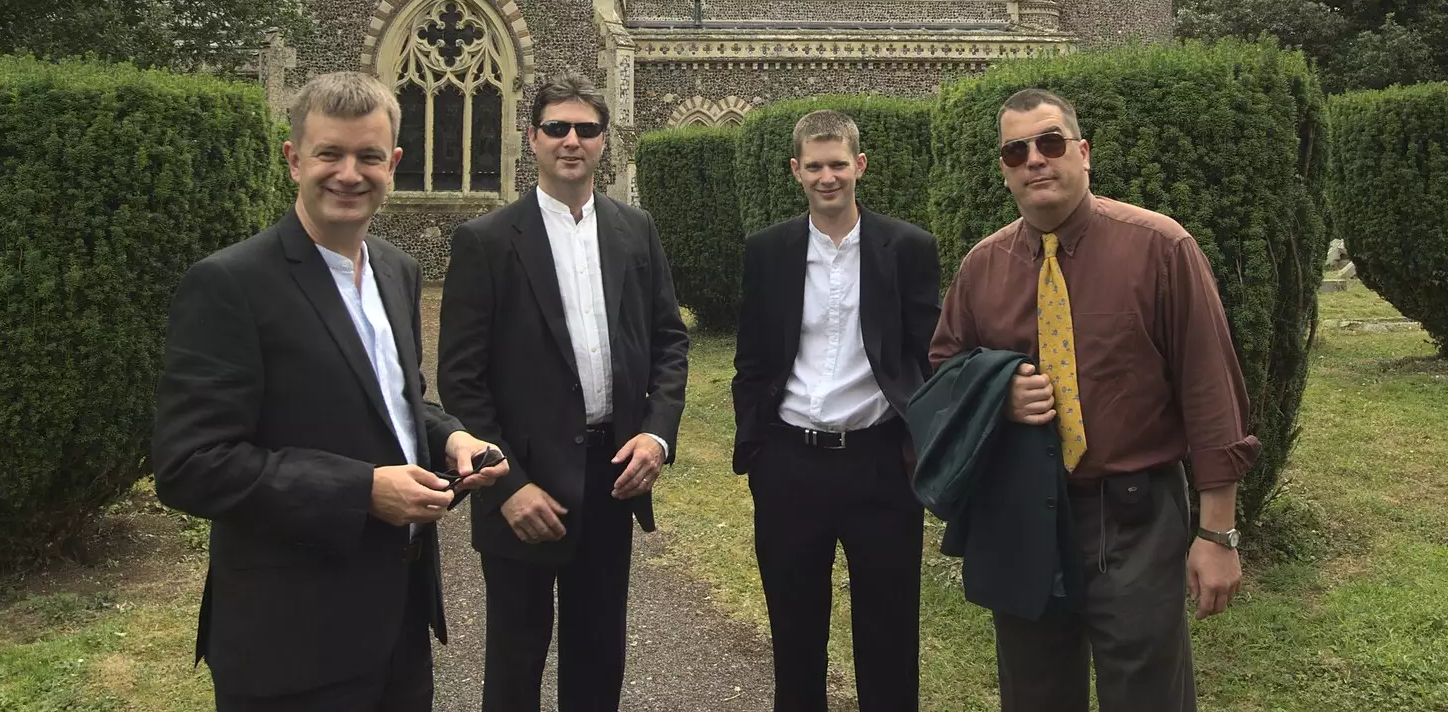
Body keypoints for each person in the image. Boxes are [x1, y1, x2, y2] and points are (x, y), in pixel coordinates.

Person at [153, 71, 509, 712]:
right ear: (294, 159)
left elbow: (395, 402)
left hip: (399, 631)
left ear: (394, 163)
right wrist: (363, 491)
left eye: (369, 156)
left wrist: (449, 435)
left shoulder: (398, 271)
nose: (350, 173)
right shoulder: (230, 285)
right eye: (330, 154)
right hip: (290, 643)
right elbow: (190, 466)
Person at [929, 87, 1260, 712]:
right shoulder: (982, 269)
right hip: (1024, 517)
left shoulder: (1161, 249)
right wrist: (996, 396)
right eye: (1015, 150)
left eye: (1050, 143)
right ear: (1004, 171)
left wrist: (1218, 534)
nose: (1035, 160)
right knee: (1035, 694)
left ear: (1082, 153)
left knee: (1146, 695)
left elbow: (1211, 393)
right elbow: (944, 374)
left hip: (1133, 517)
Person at [437, 73, 689, 712]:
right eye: (557, 128)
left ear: (606, 142)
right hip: (525, 483)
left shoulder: (636, 230)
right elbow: (461, 381)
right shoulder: (487, 241)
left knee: (599, 652)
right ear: (532, 138)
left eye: (587, 129)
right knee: (516, 660)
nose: (571, 140)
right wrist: (508, 484)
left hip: (613, 473)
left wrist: (657, 435)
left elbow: (668, 342)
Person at [732, 110, 942, 712]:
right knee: (795, 632)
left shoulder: (907, 248)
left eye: (839, 165)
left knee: (890, 631)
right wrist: (758, 450)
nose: (829, 177)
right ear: (796, 171)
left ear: (860, 167)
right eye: (816, 166)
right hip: (791, 463)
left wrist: (916, 446)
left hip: (879, 463)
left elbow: (924, 356)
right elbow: (752, 359)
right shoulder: (768, 251)